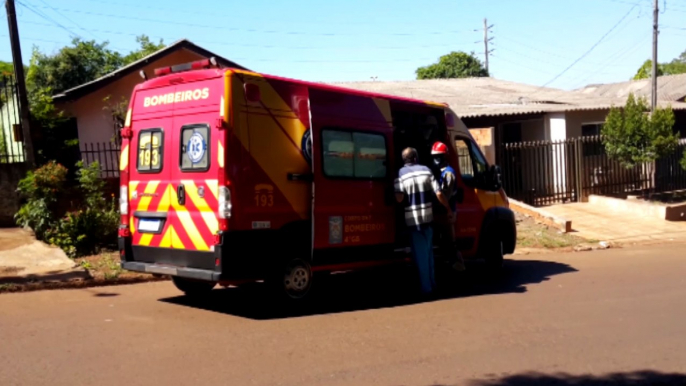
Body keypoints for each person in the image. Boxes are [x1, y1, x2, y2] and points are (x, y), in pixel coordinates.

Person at [394, 147, 441, 295]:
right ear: (416, 158)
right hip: (428, 219)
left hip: (413, 221)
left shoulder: (401, 173)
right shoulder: (426, 170)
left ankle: (426, 289)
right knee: (428, 255)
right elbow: (438, 192)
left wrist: (395, 190)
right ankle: (432, 284)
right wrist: (448, 208)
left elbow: (399, 198)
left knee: (420, 256)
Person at [430, 141, 466, 272]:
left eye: (439, 155)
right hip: (440, 211)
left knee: (451, 243)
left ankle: (459, 268)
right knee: (442, 242)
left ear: (445, 156)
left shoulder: (448, 173)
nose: (436, 158)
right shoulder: (437, 171)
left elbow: (446, 194)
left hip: (447, 211)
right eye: (434, 156)